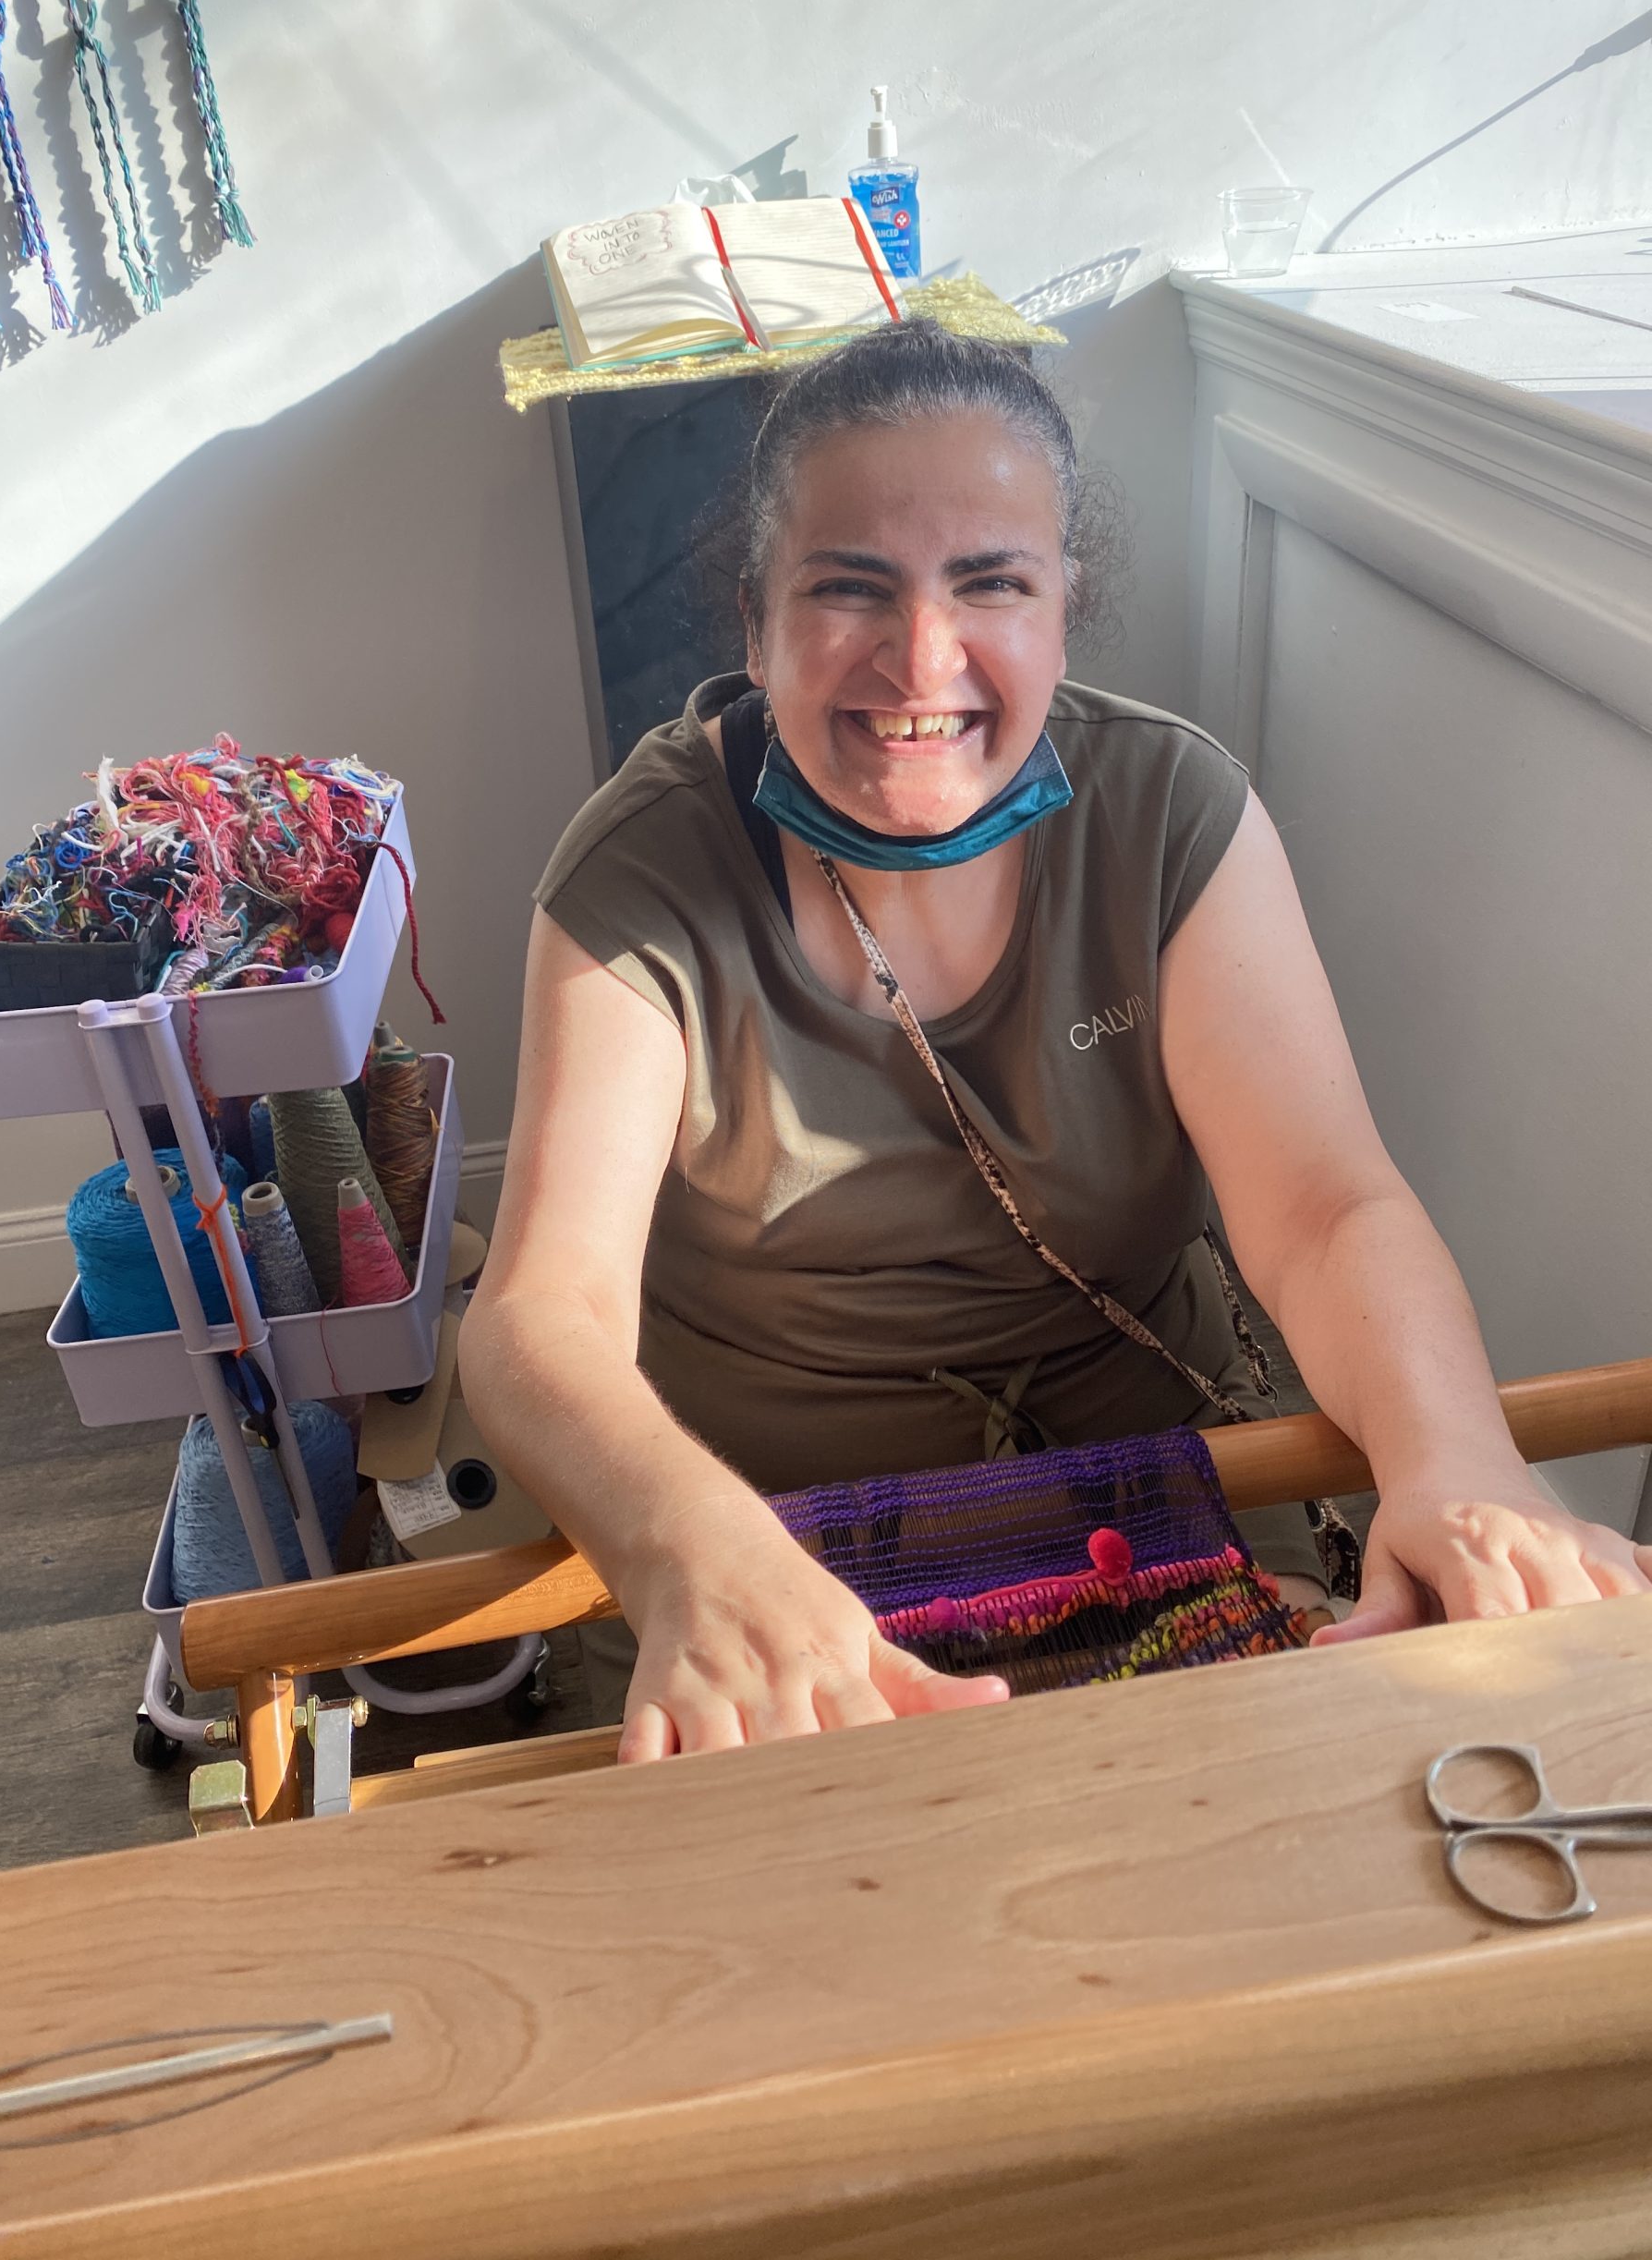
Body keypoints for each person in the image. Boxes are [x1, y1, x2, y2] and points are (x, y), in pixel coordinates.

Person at [460, 319, 1650, 1760]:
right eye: (850, 589)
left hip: (1165, 1495)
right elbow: (542, 1320)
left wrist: (1457, 1456)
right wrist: (694, 1553)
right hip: (789, 1559)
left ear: (1063, 605)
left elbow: (1328, 1211)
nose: (923, 658)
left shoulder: (1171, 816)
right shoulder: (641, 876)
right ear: (753, 613)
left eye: (991, 584)